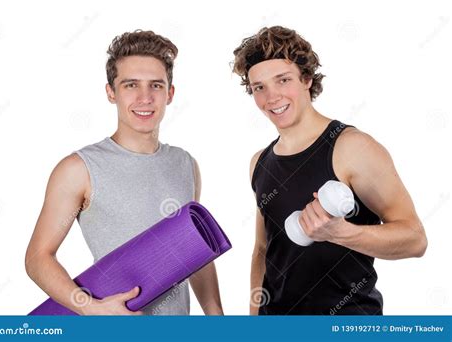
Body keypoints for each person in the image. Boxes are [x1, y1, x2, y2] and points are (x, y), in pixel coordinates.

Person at [25, 30, 223, 315]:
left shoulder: (186, 164)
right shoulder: (79, 168)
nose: (145, 98)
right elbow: (38, 258)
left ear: (170, 94)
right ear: (111, 92)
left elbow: (193, 251)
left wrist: (217, 317)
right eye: (131, 85)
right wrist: (90, 308)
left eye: (155, 86)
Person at [232, 26, 427, 315]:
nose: (271, 97)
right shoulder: (259, 162)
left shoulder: (352, 147)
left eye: (283, 80)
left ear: (307, 79)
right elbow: (263, 250)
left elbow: (415, 239)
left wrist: (341, 233)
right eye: (259, 87)